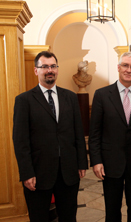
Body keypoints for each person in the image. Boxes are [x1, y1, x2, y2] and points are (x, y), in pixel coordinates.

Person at [12, 51, 88, 221]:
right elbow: (20, 140)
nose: (50, 70)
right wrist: (26, 173)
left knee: (69, 217)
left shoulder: (70, 97)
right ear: (36, 70)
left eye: (53, 66)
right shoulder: (24, 100)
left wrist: (82, 162)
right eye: (44, 66)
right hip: (38, 174)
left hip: (68, 173)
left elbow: (78, 132)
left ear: (57, 69)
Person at [89, 52, 131, 221]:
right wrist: (96, 160)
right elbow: (94, 132)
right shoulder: (101, 95)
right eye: (125, 65)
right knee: (112, 210)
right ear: (118, 68)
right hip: (110, 163)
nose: (128, 70)